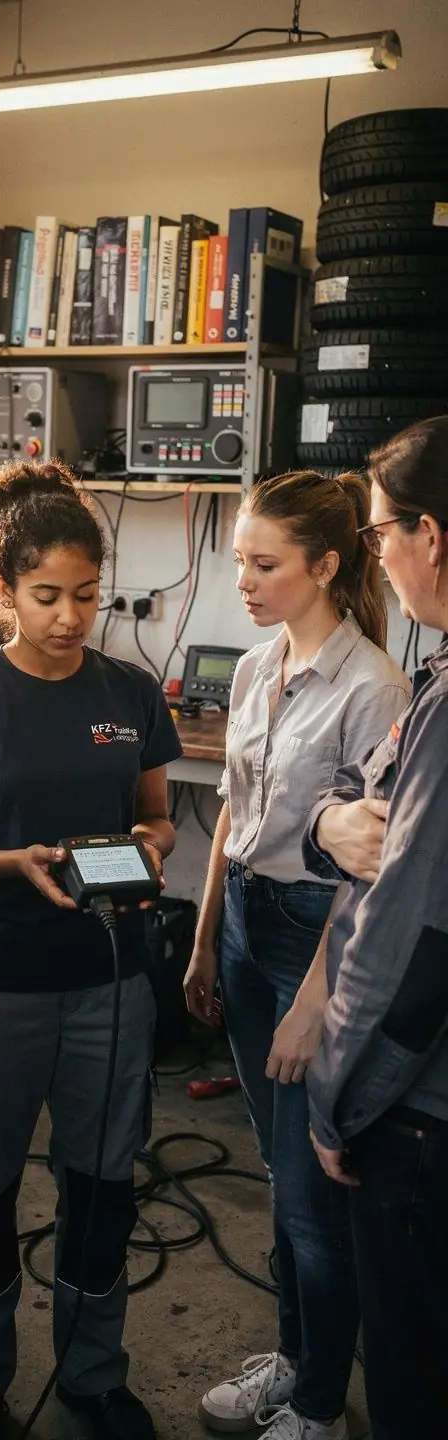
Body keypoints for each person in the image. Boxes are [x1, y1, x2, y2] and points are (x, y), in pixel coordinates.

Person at [0, 461, 180, 1440]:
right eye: (48, 596)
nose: (70, 617)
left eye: (88, 596)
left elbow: (156, 819)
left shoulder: (131, 693)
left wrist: (146, 848)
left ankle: (93, 1380)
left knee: (101, 1194)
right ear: (4, 588)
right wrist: (11, 862)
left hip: (110, 981)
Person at [183, 470, 410, 1440]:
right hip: (242, 919)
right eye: (239, 560)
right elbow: (232, 814)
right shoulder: (250, 668)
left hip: (314, 939)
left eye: (265, 564)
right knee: (280, 1176)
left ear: (325, 565)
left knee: (316, 1192)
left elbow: (372, 869)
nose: (245, 579)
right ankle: (294, 1358)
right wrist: (202, 939)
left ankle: (320, 1404)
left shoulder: (376, 689)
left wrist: (315, 999)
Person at [302, 417, 448, 1440]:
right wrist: (324, 823)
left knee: (411, 1367)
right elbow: (353, 806)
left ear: (431, 537)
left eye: (383, 531)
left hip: (419, 1111)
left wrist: (336, 1098)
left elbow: (408, 947)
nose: (377, 555)